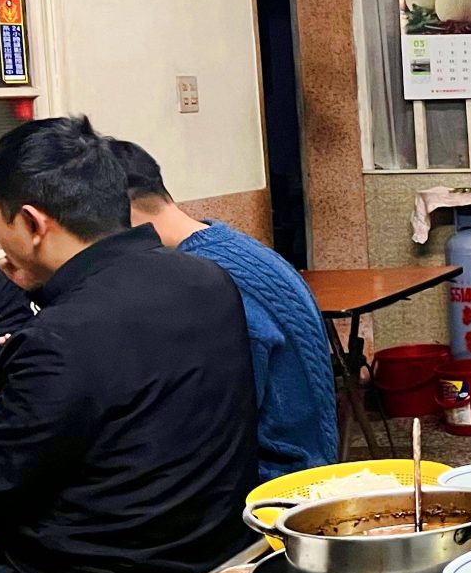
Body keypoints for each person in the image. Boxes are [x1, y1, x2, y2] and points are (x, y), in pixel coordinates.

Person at [0, 118, 258, 573]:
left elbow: (3, 479)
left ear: (31, 222)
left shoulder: (57, 338)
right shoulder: (205, 278)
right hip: (217, 564)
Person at [110, 139, 339, 483]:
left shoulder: (206, 282)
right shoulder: (232, 247)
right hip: (307, 465)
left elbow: (212, 427)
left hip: (276, 486)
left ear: (117, 212)